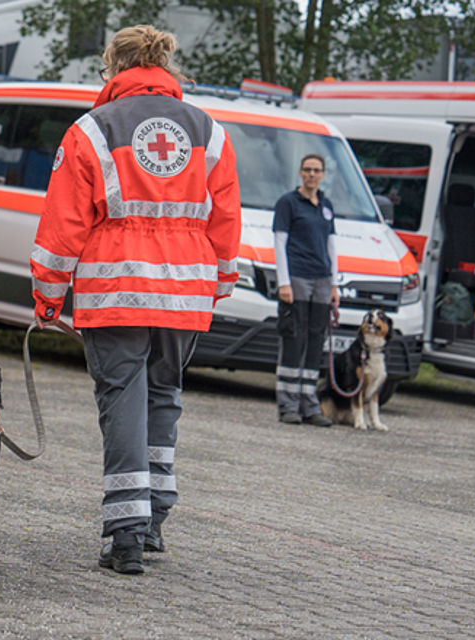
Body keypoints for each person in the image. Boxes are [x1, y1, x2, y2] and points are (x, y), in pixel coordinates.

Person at [30, 25, 241, 574]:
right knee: (164, 396)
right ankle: (153, 521)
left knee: (123, 399)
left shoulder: (91, 130)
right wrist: (215, 286)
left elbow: (62, 224)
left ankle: (125, 531)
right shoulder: (210, 133)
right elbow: (225, 221)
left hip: (118, 290)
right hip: (186, 295)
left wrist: (49, 296)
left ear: (112, 67)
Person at [273, 153, 339, 427]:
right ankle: (288, 405)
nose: (312, 174)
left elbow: (332, 244)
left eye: (317, 170)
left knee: (315, 341)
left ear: (323, 174)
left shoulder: (326, 205)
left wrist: (334, 282)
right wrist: (283, 282)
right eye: (307, 170)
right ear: (300, 173)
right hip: (297, 277)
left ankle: (310, 405)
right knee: (294, 339)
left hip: (322, 279)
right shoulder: (288, 203)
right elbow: (279, 243)